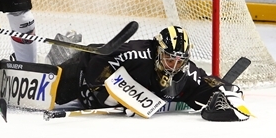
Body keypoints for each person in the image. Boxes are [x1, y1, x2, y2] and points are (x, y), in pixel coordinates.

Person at [53, 26, 250, 121]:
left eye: (179, 61)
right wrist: (109, 96)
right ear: (158, 51)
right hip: (82, 72)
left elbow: (205, 82)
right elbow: (98, 61)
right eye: (169, 58)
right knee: (57, 93)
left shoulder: (184, 70)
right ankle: (60, 50)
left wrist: (226, 91)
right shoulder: (137, 53)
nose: (173, 66)